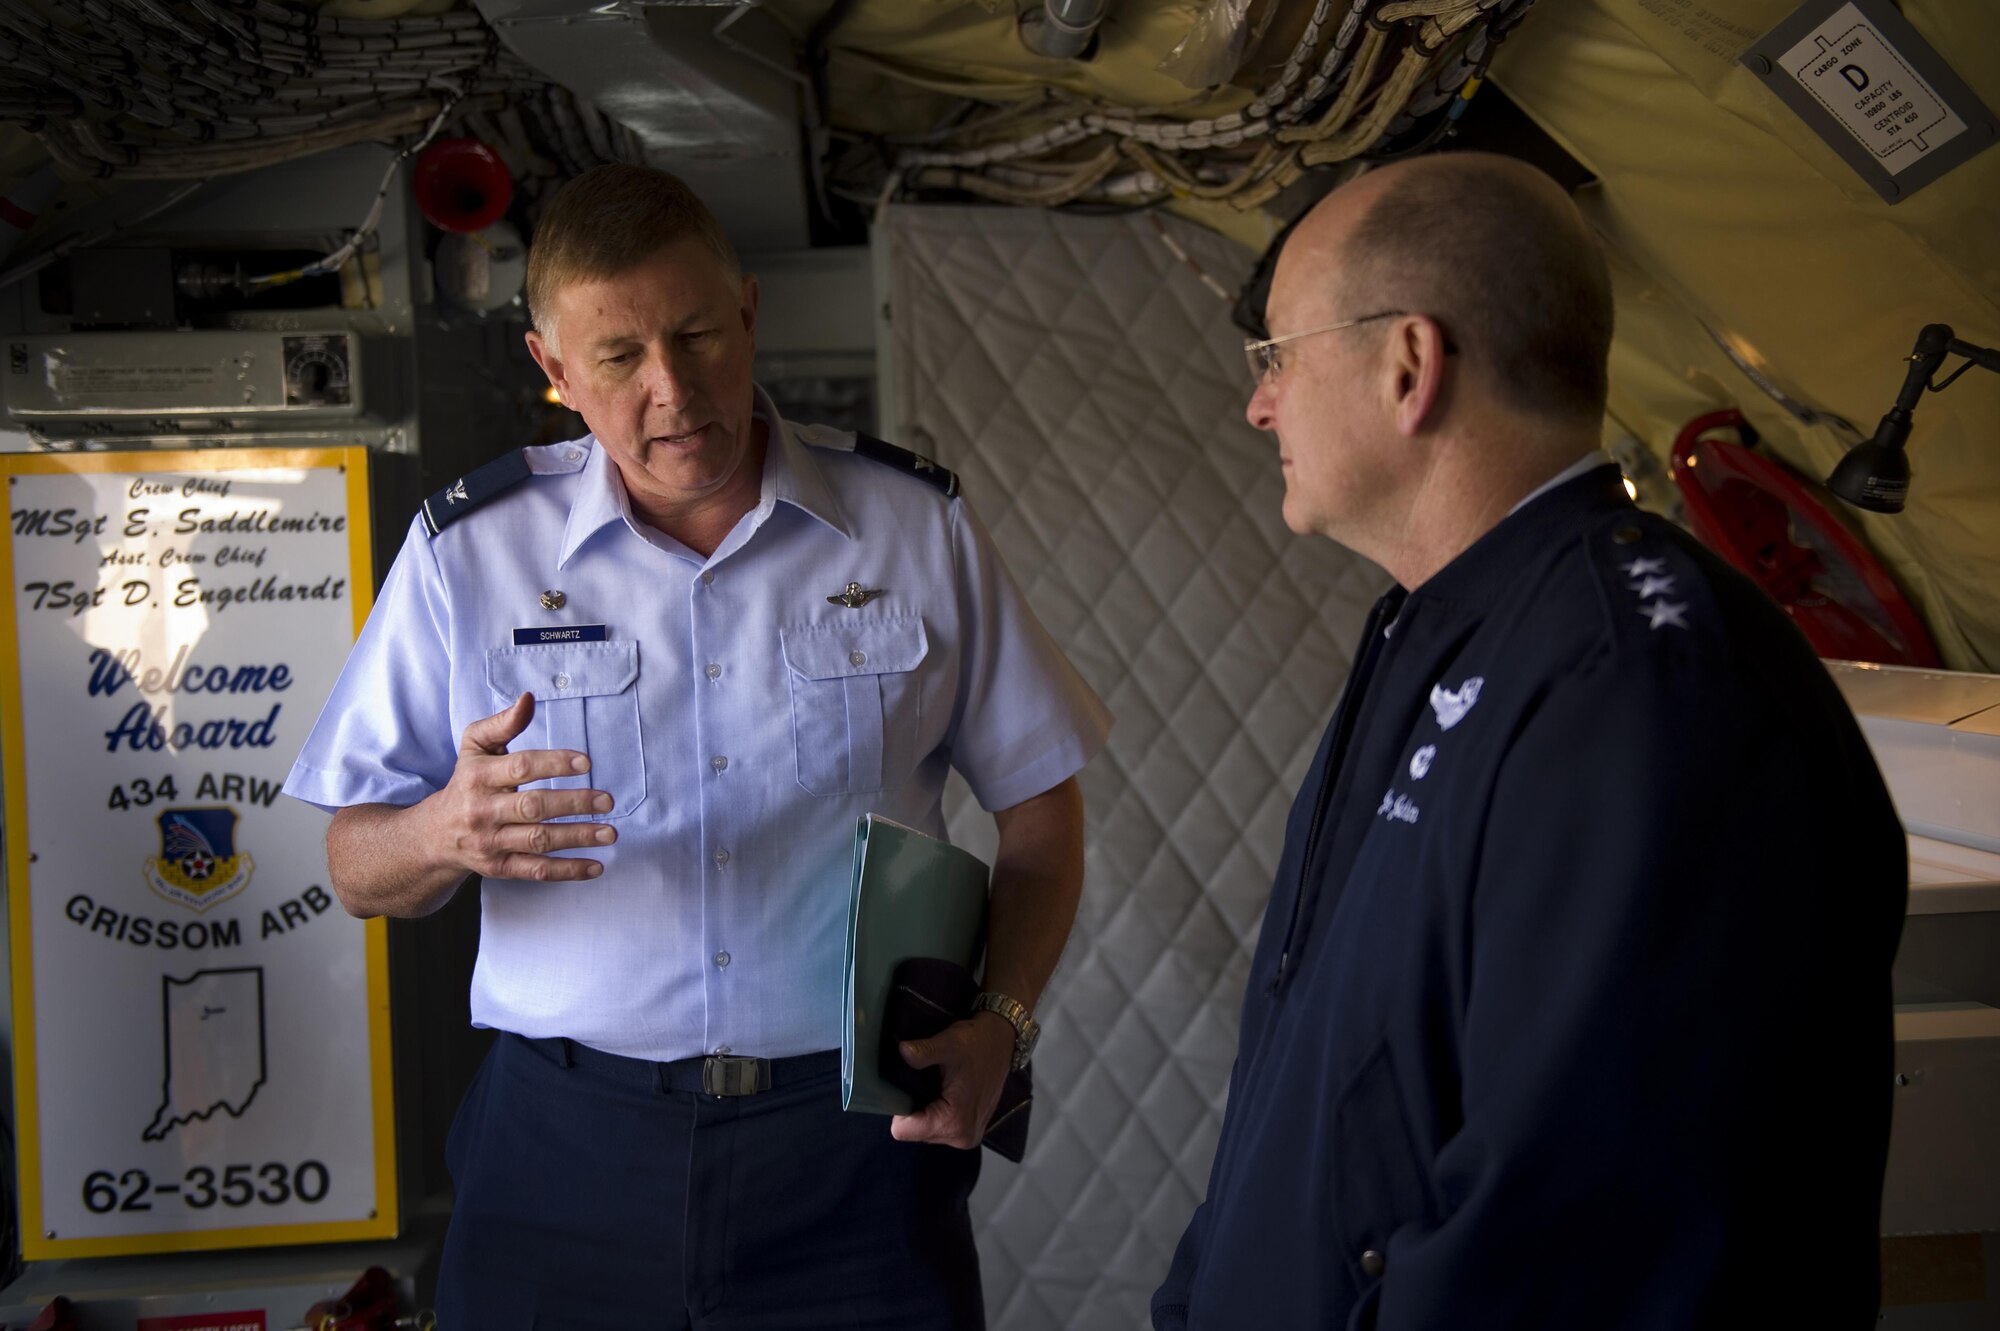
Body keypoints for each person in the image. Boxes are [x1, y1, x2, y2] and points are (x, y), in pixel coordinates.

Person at [285, 163, 1111, 1329]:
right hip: (562, 1150)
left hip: (850, 1150)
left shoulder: (913, 527)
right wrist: (438, 829)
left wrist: (1005, 1023)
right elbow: (353, 865)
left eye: (698, 334)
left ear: (749, 313)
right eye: (617, 357)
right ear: (555, 372)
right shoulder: (465, 555)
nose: (672, 390)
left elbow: (1041, 809)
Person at [1151, 151, 1907, 1328]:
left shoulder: (1639, 683)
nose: (1257, 403)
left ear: (1408, 364)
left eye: (1277, 357)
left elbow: (1581, 1227)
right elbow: (1322, 1074)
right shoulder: (1441, 626)